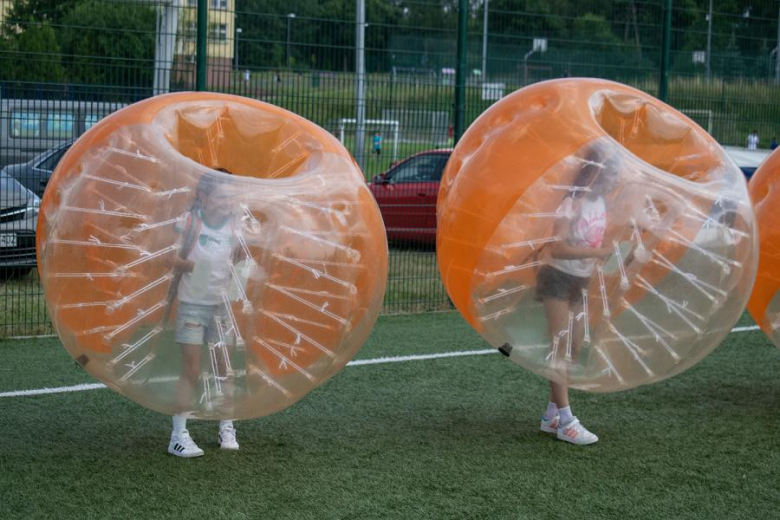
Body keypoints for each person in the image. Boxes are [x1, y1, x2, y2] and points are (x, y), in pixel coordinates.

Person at [500, 144, 618, 446]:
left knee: (574, 348)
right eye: (612, 173)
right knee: (561, 347)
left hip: (580, 280)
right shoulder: (572, 202)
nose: (617, 180)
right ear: (595, 173)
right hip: (557, 278)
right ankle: (566, 420)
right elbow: (557, 247)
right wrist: (598, 251)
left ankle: (551, 415)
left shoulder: (601, 203)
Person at [166, 170, 242, 458]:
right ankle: (178, 435)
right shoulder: (189, 222)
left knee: (225, 368)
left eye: (230, 196)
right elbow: (169, 257)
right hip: (193, 305)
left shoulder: (235, 226)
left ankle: (227, 426)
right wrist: (196, 269)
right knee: (192, 369)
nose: (227, 201)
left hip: (221, 304)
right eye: (221, 196)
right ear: (204, 197)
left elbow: (240, 257)